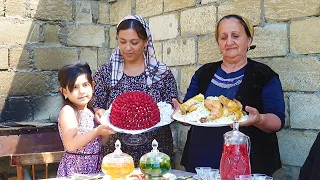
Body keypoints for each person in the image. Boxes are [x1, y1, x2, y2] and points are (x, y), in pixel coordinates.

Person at [177, 14, 285, 176]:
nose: (229, 42)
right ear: (218, 43)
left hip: (248, 164)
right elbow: (188, 113)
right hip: (202, 161)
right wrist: (179, 112)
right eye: (223, 37)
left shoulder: (264, 75)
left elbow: (277, 121)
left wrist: (259, 119)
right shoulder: (203, 73)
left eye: (236, 36)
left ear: (249, 40)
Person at [93, 15, 178, 166]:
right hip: (117, 155)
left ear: (146, 42)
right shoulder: (106, 73)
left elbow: (172, 106)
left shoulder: (162, 73)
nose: (127, 48)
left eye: (134, 42)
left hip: (157, 153)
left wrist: (177, 110)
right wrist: (99, 112)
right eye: (122, 41)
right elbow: (97, 104)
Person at [56, 62, 115, 177]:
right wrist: (96, 131)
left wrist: (107, 128)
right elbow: (71, 144)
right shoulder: (68, 111)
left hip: (95, 168)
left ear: (92, 86)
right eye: (74, 87)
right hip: (75, 170)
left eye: (85, 85)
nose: (82, 91)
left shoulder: (91, 112)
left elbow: (100, 143)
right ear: (64, 92)